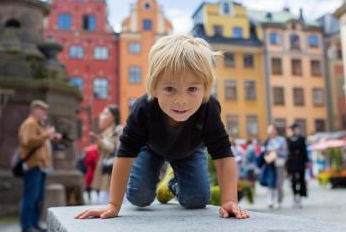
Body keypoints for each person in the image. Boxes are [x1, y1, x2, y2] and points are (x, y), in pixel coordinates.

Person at [75, 34, 249, 220]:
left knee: (196, 200)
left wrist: (230, 200)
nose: (181, 100)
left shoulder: (209, 108)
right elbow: (125, 154)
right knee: (138, 198)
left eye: (192, 89)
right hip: (150, 148)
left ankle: (172, 183)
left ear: (205, 88)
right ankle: (155, 181)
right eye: (170, 89)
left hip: (190, 151)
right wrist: (113, 205)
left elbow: (223, 155)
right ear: (155, 87)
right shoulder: (143, 108)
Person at [18, 100, 61, 232]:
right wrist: (46, 135)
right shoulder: (30, 123)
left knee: (37, 198)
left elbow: (42, 140)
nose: (45, 114)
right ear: (35, 110)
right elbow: (27, 141)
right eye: (43, 111)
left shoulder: (38, 124)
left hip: (41, 166)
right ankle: (27, 226)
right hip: (33, 165)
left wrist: (51, 137)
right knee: (30, 197)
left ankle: (34, 223)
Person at [91, 105, 123, 204]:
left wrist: (101, 142)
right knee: (103, 200)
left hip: (112, 169)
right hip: (105, 170)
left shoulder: (119, 129)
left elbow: (119, 150)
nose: (102, 116)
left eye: (105, 113)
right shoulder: (105, 132)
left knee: (109, 200)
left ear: (114, 116)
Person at [262, 125, 288, 209]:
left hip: (279, 163)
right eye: (269, 131)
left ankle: (278, 201)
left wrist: (277, 151)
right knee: (270, 182)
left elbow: (286, 153)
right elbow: (264, 152)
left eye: (271, 130)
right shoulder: (267, 141)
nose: (270, 133)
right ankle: (270, 200)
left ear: (275, 131)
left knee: (279, 183)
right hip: (270, 164)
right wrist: (267, 153)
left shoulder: (281, 140)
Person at [286, 123, 308, 208]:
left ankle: (300, 197)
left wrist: (306, 161)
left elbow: (304, 150)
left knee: (301, 180)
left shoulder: (301, 139)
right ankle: (295, 196)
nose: (293, 130)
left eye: (295, 128)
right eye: (292, 129)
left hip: (300, 162)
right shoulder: (288, 139)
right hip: (291, 162)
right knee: (293, 180)